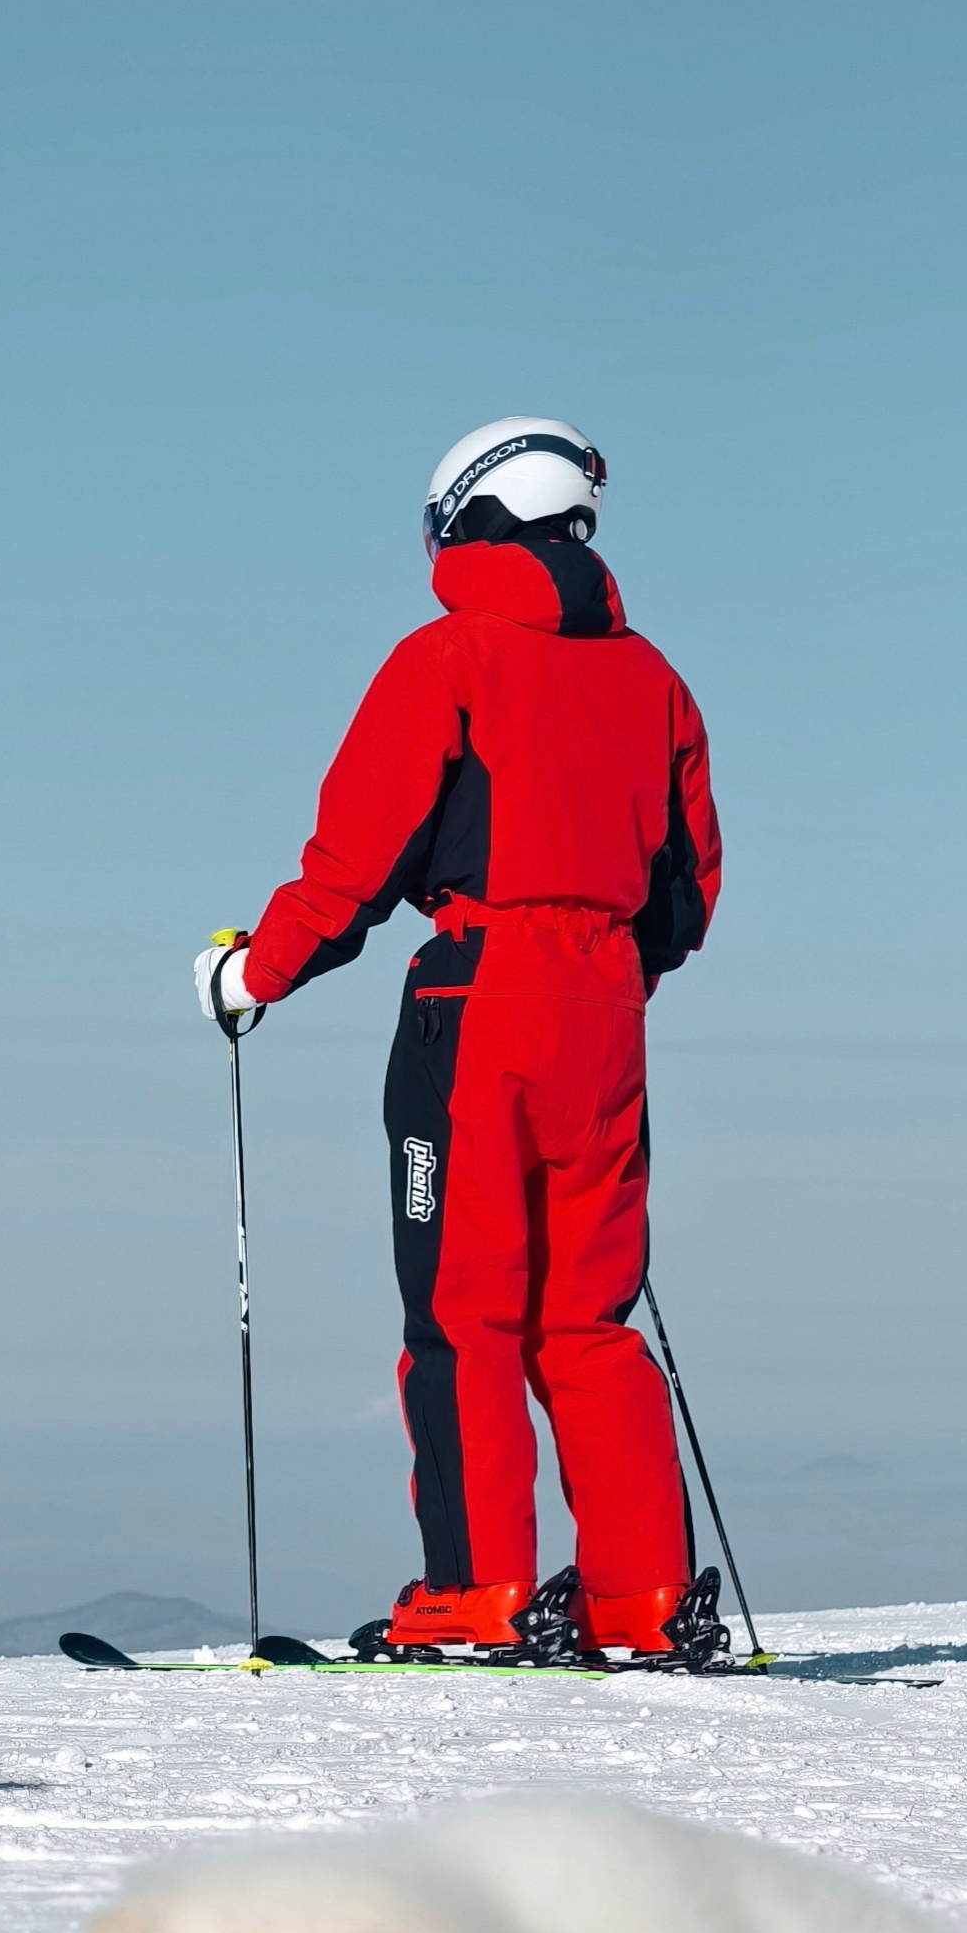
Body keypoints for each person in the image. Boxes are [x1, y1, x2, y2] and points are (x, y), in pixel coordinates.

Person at [195, 418, 724, 1662]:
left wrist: (250, 975)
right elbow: (687, 892)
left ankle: (477, 1594)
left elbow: (354, 860)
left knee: (461, 1310)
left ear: (464, 522)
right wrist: (604, 969)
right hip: (608, 1012)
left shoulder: (446, 657)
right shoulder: (654, 679)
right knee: (587, 1318)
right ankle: (640, 1603)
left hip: (477, 1001)